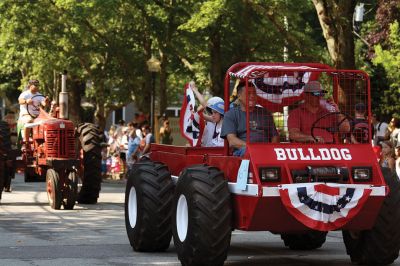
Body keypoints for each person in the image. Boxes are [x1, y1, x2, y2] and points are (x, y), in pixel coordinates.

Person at [221, 81, 279, 156]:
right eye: (248, 93)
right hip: (243, 151)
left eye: (254, 93)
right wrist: (254, 149)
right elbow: (232, 141)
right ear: (239, 96)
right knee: (248, 152)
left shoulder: (265, 113)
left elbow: (275, 136)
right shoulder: (231, 115)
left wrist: (271, 149)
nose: (252, 96)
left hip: (266, 151)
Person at [17, 79, 49, 150]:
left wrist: (46, 102)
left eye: (38, 85)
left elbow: (44, 103)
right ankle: (26, 142)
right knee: (29, 120)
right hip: (26, 114)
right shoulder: (25, 94)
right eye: (35, 85)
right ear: (30, 86)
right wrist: (26, 101)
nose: (37, 87)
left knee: (47, 123)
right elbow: (20, 101)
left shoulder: (39, 95)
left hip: (37, 116)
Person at [191, 81, 224, 147]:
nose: (212, 115)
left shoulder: (226, 120)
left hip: (219, 153)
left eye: (215, 112)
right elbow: (200, 114)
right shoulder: (215, 120)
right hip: (211, 151)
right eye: (211, 112)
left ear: (220, 112)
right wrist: (192, 112)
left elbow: (204, 104)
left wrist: (194, 89)